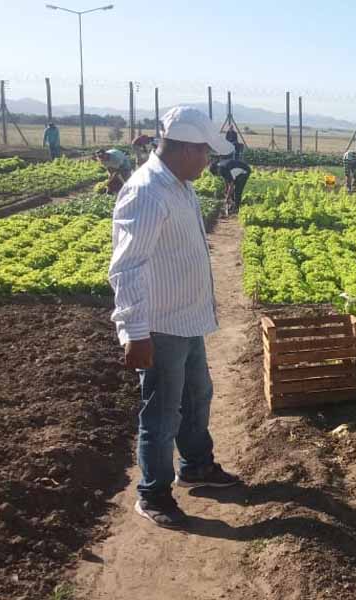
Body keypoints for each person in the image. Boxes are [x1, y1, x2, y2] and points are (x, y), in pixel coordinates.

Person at [108, 106, 240, 529]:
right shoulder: (147, 190)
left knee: (196, 396)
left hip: (188, 320)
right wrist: (134, 331)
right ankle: (153, 493)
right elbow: (127, 266)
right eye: (205, 152)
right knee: (162, 412)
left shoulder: (178, 184)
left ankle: (197, 465)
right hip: (160, 326)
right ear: (184, 148)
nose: (209, 161)